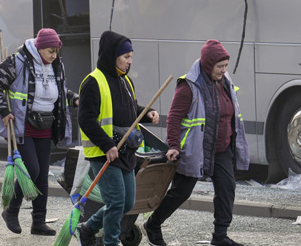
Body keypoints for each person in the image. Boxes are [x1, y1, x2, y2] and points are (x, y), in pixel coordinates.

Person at [143, 40, 249, 246]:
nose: (224, 70)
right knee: (181, 193)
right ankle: (153, 224)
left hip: (222, 149)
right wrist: (173, 145)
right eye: (220, 67)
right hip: (195, 149)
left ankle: (220, 236)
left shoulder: (224, 81)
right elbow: (173, 117)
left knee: (227, 188)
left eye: (226, 66)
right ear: (208, 65)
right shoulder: (189, 85)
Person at [0, 28, 77, 236]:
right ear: (39, 48)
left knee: (41, 177)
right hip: (22, 125)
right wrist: (4, 110)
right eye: (50, 51)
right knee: (32, 170)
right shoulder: (18, 62)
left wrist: (74, 98)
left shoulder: (56, 65)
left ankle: (38, 222)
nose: (54, 55)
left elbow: (61, 91)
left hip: (45, 126)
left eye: (56, 51)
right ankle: (11, 210)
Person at [76, 30, 159, 246]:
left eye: (131, 56)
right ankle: (110, 242)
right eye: (126, 57)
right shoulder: (93, 82)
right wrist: (107, 146)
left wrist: (147, 114)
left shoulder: (126, 81)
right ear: (113, 56)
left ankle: (88, 229)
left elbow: (130, 110)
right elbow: (85, 120)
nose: (130, 61)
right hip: (103, 153)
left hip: (126, 150)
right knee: (116, 202)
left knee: (127, 202)